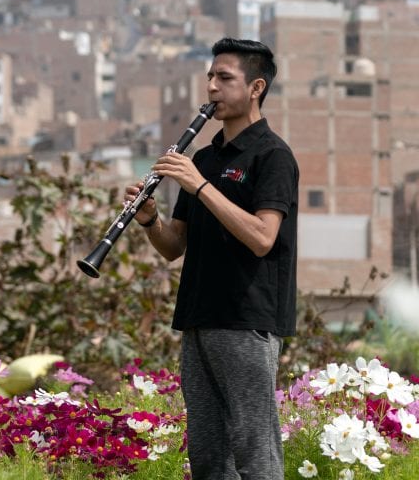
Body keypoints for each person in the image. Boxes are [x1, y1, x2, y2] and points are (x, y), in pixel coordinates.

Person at [125, 37, 299, 479]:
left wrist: (200, 186)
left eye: (225, 78)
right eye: (210, 78)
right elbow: (173, 247)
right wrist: (149, 220)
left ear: (256, 87)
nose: (212, 88)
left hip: (246, 319)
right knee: (207, 455)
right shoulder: (203, 157)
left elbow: (263, 237)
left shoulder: (272, 155)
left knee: (254, 449)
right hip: (199, 317)